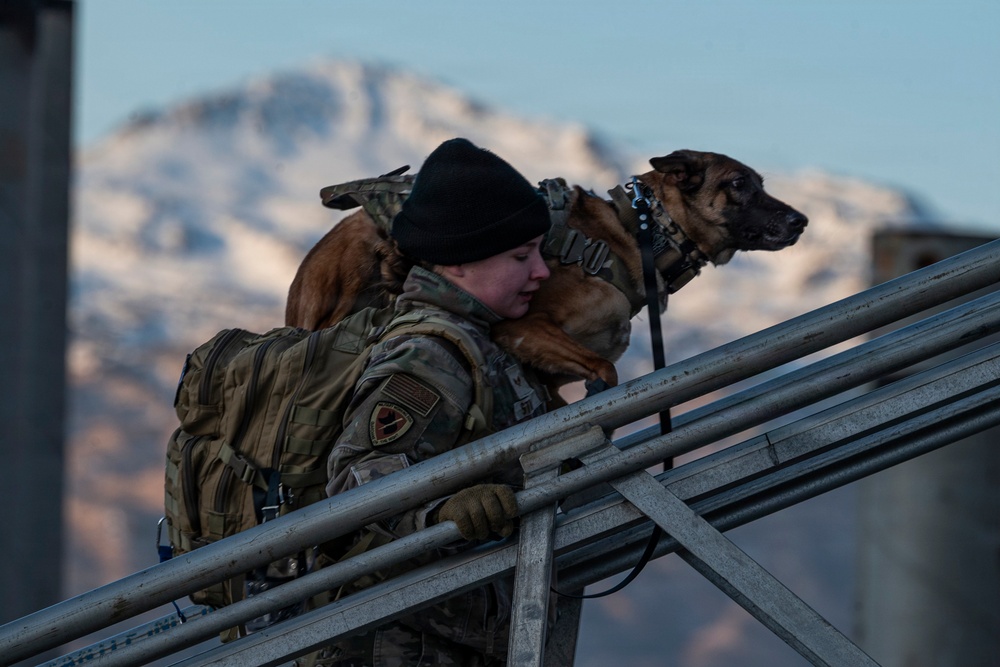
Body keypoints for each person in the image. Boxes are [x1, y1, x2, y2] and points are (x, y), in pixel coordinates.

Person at [316, 138, 552, 666]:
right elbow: (355, 476)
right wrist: (444, 511)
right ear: (460, 262)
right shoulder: (429, 354)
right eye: (521, 256)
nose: (542, 271)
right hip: (402, 648)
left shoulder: (479, 339)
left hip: (447, 638)